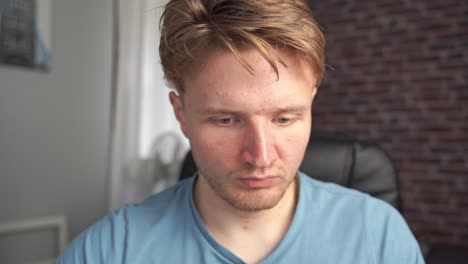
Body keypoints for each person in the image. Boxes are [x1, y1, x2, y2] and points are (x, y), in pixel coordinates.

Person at [55, 0, 424, 263]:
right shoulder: (111, 249)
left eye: (284, 119)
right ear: (180, 114)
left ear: (311, 103)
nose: (261, 157)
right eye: (226, 120)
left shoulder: (379, 233)